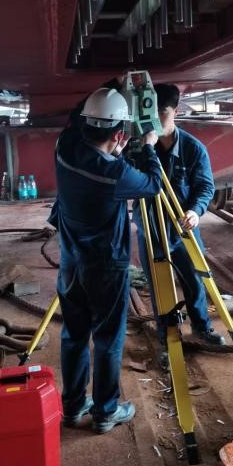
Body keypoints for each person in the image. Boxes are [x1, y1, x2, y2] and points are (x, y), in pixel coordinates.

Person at [49, 84, 161, 434]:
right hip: (106, 267)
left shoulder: (64, 147)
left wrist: (115, 145)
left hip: (71, 261)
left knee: (74, 335)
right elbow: (153, 184)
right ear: (118, 134)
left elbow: (75, 123)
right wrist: (149, 146)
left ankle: (72, 407)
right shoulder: (117, 175)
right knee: (108, 340)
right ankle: (105, 412)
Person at [133, 83, 225, 368]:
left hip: (184, 227)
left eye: (162, 111)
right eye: (151, 112)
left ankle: (201, 326)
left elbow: (205, 187)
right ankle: (168, 338)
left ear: (176, 110)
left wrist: (196, 211)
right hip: (152, 228)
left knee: (195, 279)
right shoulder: (140, 149)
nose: (156, 119)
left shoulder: (193, 149)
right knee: (160, 286)